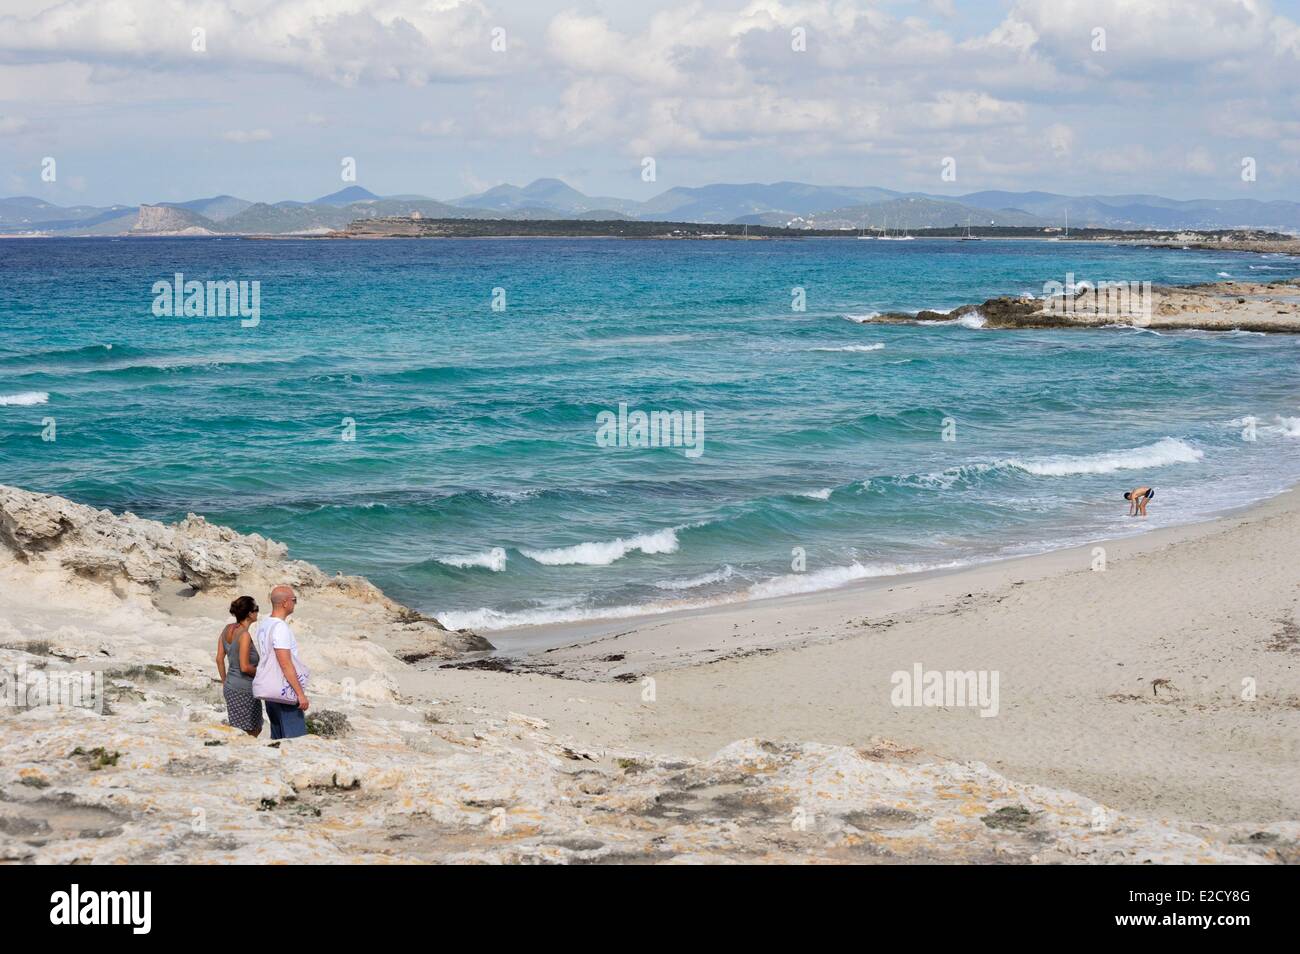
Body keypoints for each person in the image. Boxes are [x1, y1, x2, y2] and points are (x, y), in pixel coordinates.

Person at [252, 584, 311, 740]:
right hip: (284, 689)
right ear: (285, 602)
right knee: (295, 739)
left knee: (278, 737)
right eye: (294, 600)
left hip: (270, 688)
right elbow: (285, 663)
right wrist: (300, 695)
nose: (295, 603)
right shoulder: (280, 627)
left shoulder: (265, 623)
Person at [215, 596, 263, 736]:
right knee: (253, 730)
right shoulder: (244, 635)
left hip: (230, 686)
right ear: (249, 613)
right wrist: (264, 675)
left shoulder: (227, 629)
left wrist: (224, 682)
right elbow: (245, 667)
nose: (257, 612)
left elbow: (219, 659)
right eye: (256, 609)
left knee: (237, 730)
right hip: (245, 690)